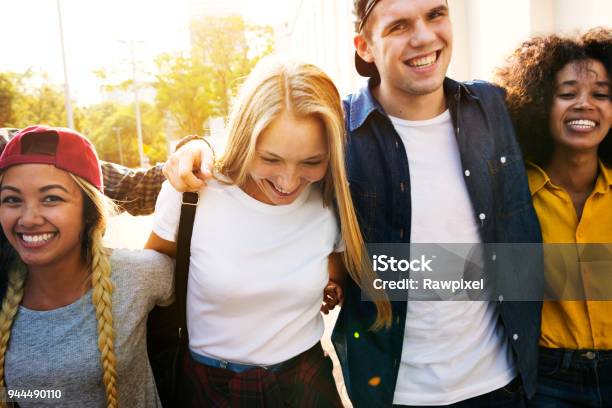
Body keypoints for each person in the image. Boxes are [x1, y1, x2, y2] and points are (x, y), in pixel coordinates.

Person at [163, 1, 543, 406]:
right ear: (364, 46)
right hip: (392, 391)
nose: (424, 36)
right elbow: (262, 152)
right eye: (398, 25)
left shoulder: (496, 107)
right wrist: (195, 149)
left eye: (435, 14)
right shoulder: (336, 132)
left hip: (502, 382)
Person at [145, 58, 391, 406]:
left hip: (306, 382)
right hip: (209, 387)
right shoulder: (192, 192)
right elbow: (148, 282)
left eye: (311, 162)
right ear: (245, 137)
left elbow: (335, 277)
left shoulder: (331, 199)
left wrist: (329, 287)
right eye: (271, 159)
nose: (289, 182)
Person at [0, 125, 174, 407]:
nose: (29, 218)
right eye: (11, 200)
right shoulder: (4, 290)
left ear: (89, 212)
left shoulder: (141, 275)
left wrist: (197, 150)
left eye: (51, 198)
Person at [496, 27, 612, 407]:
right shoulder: (511, 197)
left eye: (601, 94)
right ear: (539, 104)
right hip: (547, 381)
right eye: (567, 94)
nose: (585, 105)